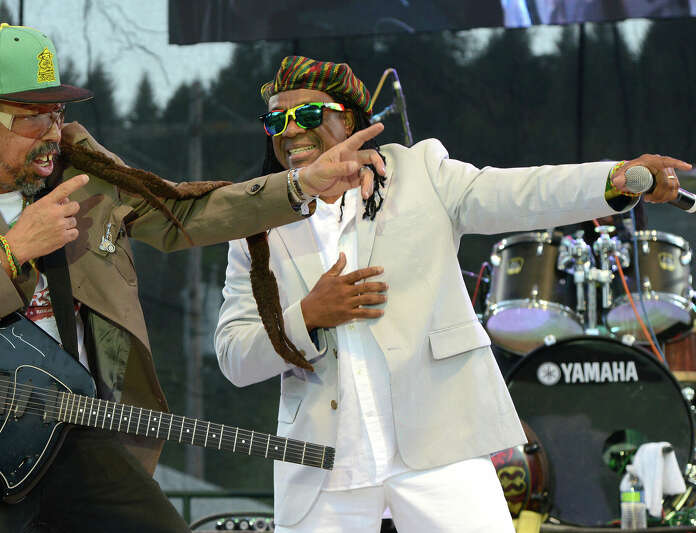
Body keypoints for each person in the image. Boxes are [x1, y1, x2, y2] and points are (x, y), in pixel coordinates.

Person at [0, 27, 386, 533]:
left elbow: (183, 213)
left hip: (72, 431)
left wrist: (301, 184)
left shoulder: (79, 165)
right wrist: (11, 253)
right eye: (32, 117)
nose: (50, 132)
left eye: (57, 112)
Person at [213, 55, 687, 532]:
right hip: (323, 463)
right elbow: (234, 356)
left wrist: (611, 180)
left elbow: (521, 193)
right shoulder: (258, 222)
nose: (291, 131)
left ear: (350, 118)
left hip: (437, 439)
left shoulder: (419, 174)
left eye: (309, 115)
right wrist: (308, 316)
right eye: (277, 119)